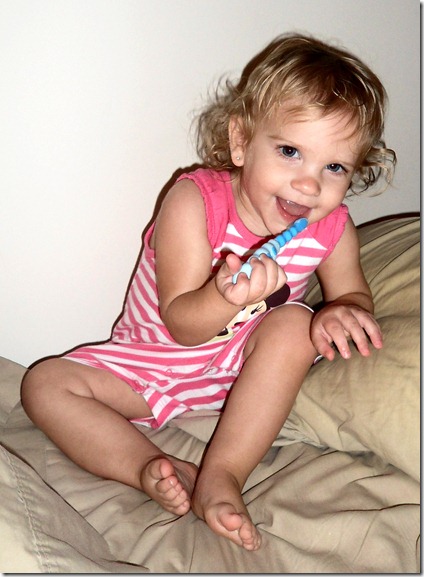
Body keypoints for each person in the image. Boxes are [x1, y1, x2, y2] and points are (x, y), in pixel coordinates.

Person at [21, 33, 396, 551]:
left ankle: (222, 474)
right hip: (149, 365)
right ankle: (151, 467)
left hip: (240, 378)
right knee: (43, 384)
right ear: (241, 141)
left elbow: (354, 293)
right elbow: (182, 324)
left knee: (295, 324)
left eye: (334, 167)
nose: (310, 185)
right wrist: (226, 297)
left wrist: (342, 311)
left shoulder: (331, 228)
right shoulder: (193, 202)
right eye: (290, 152)